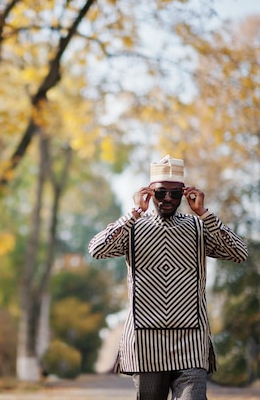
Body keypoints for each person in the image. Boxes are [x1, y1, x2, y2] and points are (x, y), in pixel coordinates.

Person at [88, 155, 248, 400]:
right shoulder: (133, 228)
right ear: (149, 193)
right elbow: (97, 249)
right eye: (161, 193)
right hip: (145, 341)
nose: (168, 199)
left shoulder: (198, 228)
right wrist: (132, 215)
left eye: (175, 194)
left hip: (191, 340)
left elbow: (239, 253)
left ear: (184, 194)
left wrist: (204, 213)